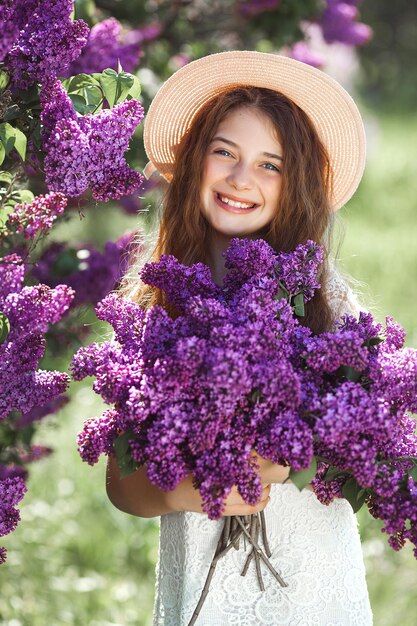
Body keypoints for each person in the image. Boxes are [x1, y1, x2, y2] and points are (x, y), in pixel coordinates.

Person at [106, 51, 373, 625]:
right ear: (196, 160)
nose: (240, 178)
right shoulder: (157, 305)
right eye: (224, 152)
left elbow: (362, 433)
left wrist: (287, 453)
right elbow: (121, 484)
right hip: (202, 586)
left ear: (295, 183)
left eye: (269, 165)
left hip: (308, 591)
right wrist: (183, 490)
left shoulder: (324, 306)